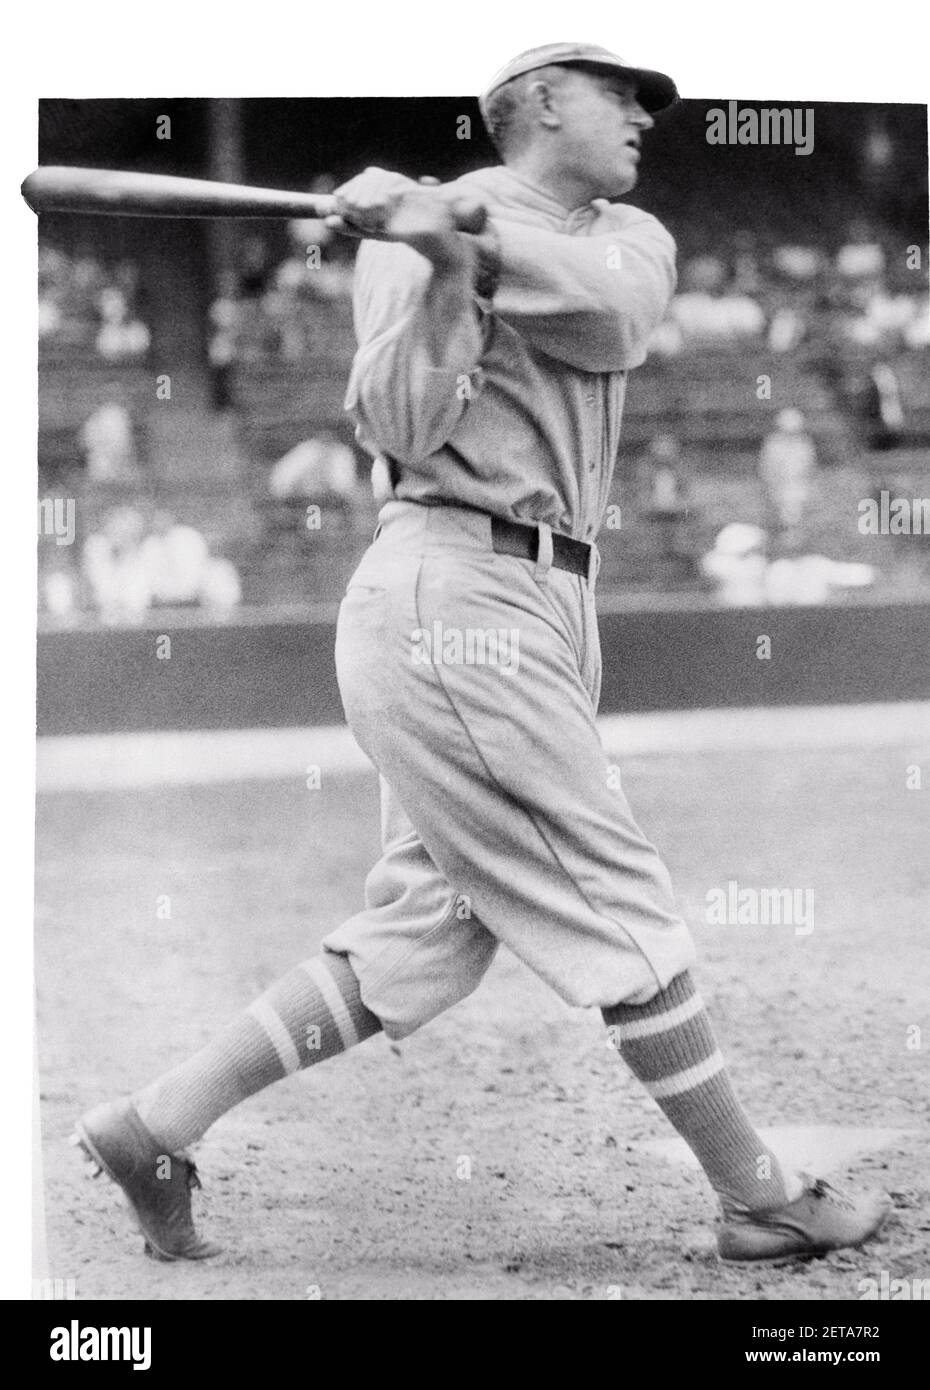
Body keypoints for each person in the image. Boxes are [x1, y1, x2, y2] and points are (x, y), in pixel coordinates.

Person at [74, 42, 888, 1266]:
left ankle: (155, 1122)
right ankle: (759, 1189)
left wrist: (471, 239)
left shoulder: (631, 235)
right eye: (623, 97)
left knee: (432, 925)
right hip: (453, 586)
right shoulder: (408, 236)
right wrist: (437, 262)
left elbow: (613, 321)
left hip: (546, 601)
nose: (645, 121)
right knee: (614, 888)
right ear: (543, 103)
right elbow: (402, 424)